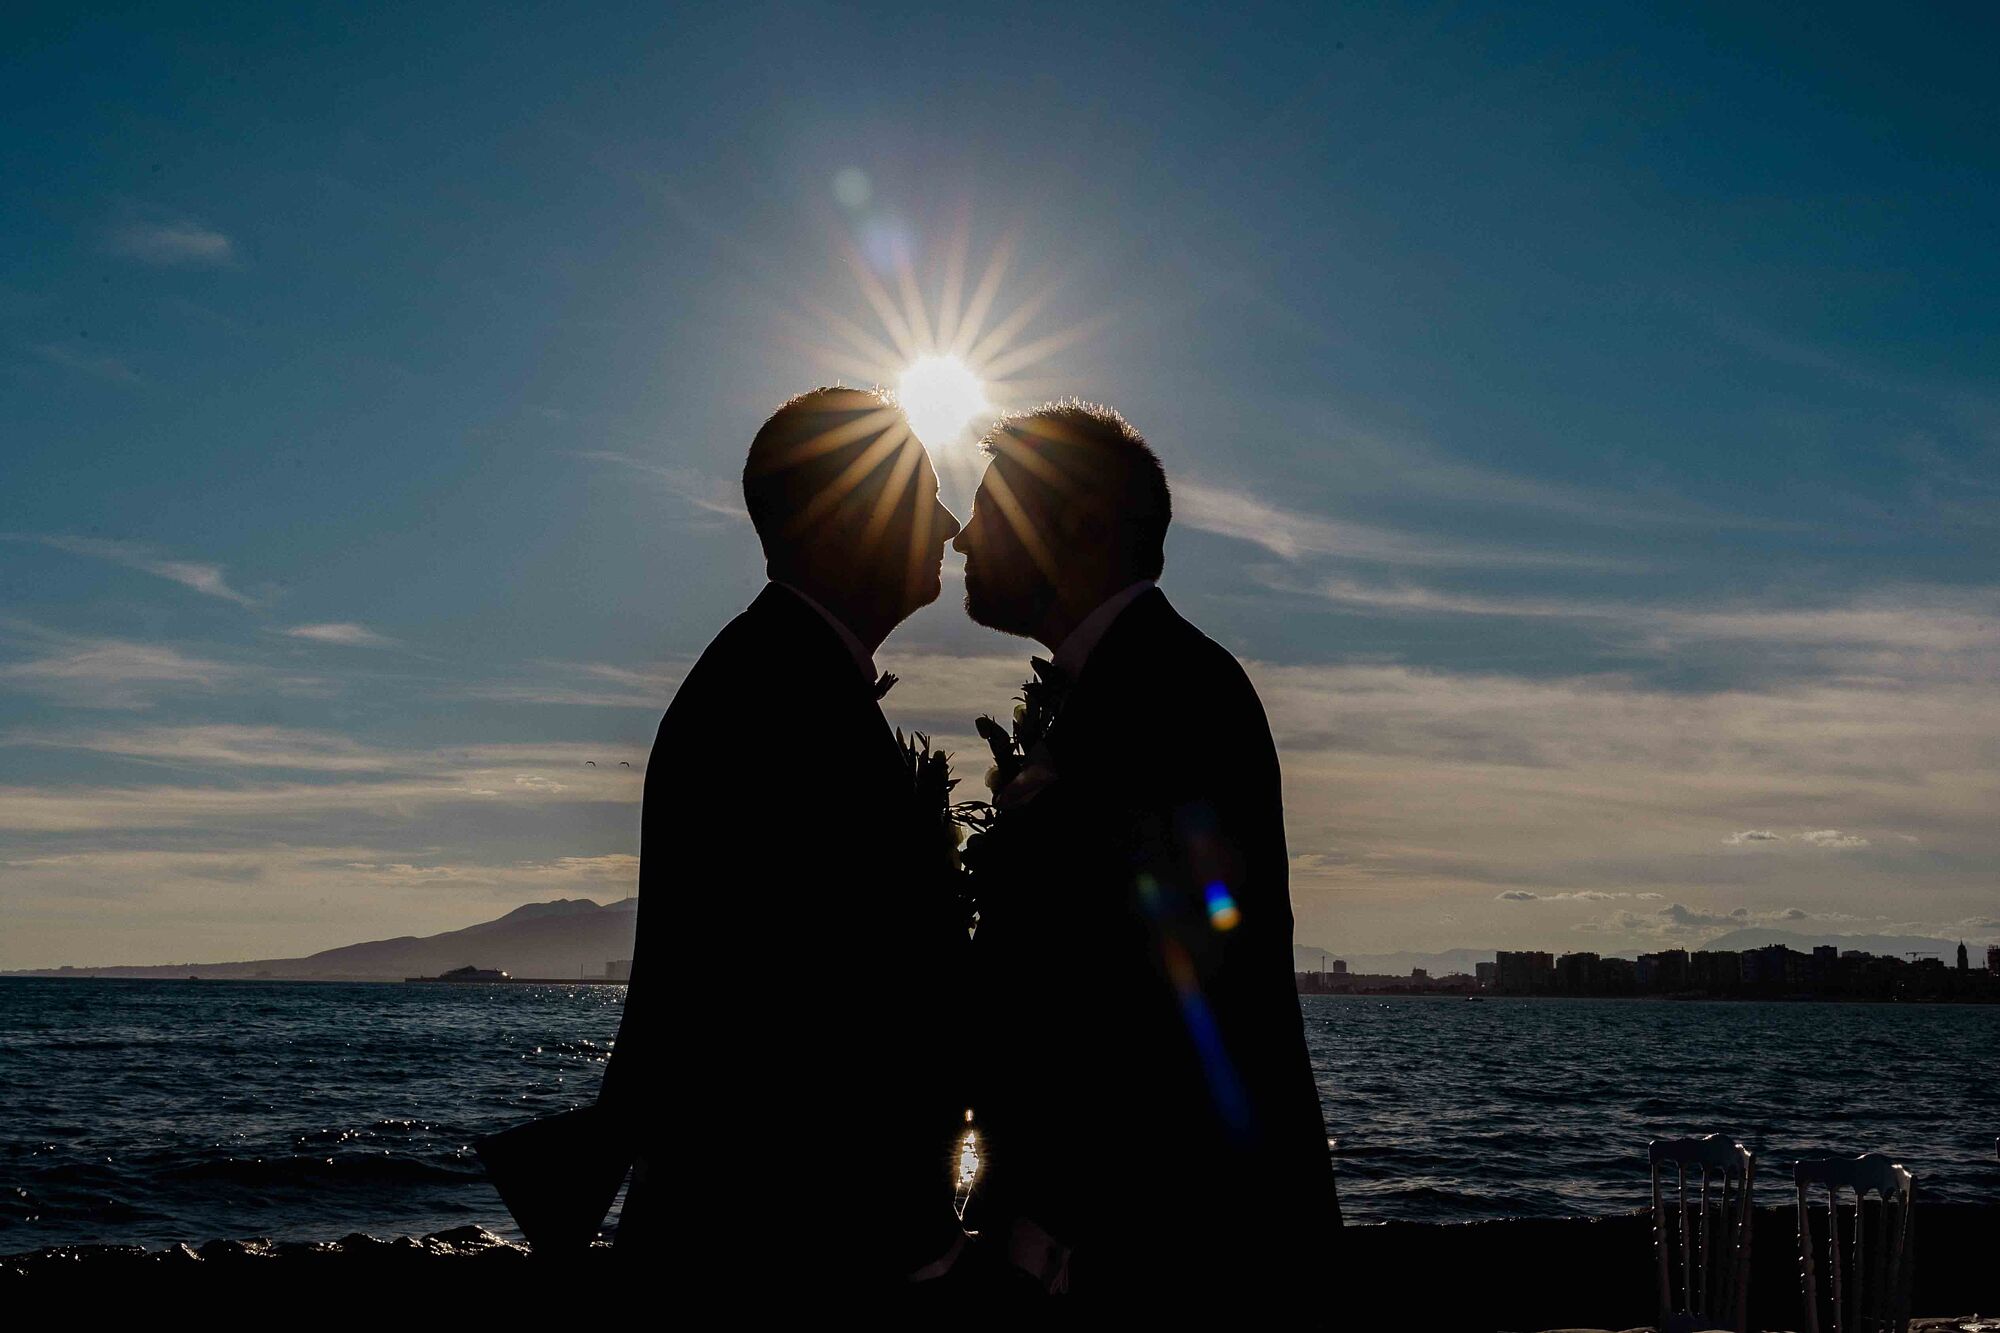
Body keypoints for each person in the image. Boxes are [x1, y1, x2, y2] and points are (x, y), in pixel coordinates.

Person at [954, 401, 1336, 1297]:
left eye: (989, 508)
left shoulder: (1169, 695)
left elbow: (1149, 996)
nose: (965, 538)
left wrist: (1047, 1239)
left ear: (1075, 523)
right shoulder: (1134, 685)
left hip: (1180, 1261)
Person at [599, 387, 968, 1289]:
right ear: (845, 520)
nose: (952, 523)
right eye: (922, 495)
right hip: (783, 1247)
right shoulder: (784, 702)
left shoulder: (776, 676)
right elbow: (830, 1011)